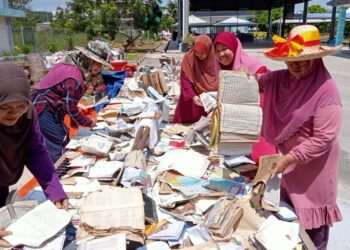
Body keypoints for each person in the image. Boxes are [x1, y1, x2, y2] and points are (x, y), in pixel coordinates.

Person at [260, 25, 343, 249]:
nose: (295, 66)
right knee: (288, 221)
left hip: (314, 169)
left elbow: (323, 138)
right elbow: (257, 81)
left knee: (312, 231)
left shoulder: (327, 91)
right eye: (290, 61)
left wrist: (289, 158)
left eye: (302, 61)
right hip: (288, 165)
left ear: (316, 60)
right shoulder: (282, 79)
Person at [0, 62, 68, 248]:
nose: (14, 113)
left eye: (20, 105)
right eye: (6, 107)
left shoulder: (27, 115)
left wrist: (54, 190)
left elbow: (35, 151)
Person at [31, 42, 112, 162]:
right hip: (43, 109)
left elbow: (65, 101)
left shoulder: (70, 65)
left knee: (58, 139)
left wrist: (75, 119)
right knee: (58, 142)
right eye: (97, 63)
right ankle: (59, 175)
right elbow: (70, 107)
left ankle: (55, 171)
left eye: (101, 65)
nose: (99, 68)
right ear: (87, 59)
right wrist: (88, 122)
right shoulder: (74, 78)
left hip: (44, 106)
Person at [213, 32, 276, 163]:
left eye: (225, 49)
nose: (221, 55)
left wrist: (253, 78)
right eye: (217, 51)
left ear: (235, 47)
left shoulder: (252, 65)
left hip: (258, 122)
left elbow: (273, 83)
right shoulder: (220, 68)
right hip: (237, 122)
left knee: (262, 159)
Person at [173, 34, 219, 123]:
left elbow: (217, 80)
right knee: (184, 129)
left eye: (203, 52)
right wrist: (193, 96)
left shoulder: (214, 61)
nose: (199, 55)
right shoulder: (189, 58)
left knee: (205, 128)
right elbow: (184, 79)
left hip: (207, 103)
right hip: (190, 103)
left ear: (209, 50)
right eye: (197, 52)